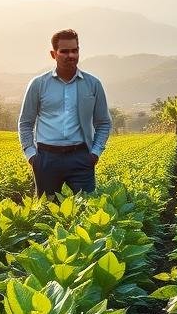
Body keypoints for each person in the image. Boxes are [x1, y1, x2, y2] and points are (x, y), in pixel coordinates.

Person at [18, 28, 112, 196]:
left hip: (81, 157)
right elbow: (25, 122)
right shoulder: (38, 84)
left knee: (85, 213)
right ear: (53, 54)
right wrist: (32, 156)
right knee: (47, 212)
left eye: (75, 50)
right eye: (65, 51)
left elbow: (103, 122)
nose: (71, 55)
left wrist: (95, 154)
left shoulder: (93, 84)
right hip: (46, 159)